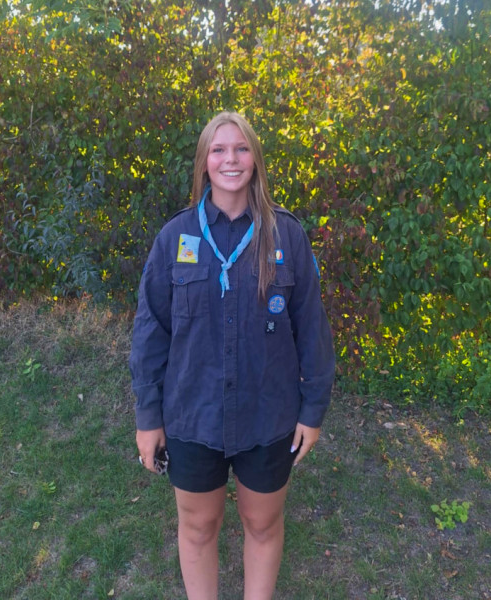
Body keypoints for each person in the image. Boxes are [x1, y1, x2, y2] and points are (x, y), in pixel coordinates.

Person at [130, 111, 335, 600]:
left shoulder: (286, 235)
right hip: (192, 414)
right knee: (198, 526)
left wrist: (312, 410)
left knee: (261, 524)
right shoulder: (175, 237)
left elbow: (311, 327)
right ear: (204, 161)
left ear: (255, 159)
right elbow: (150, 331)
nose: (231, 159)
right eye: (219, 149)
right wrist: (148, 415)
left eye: (241, 148)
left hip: (268, 413)